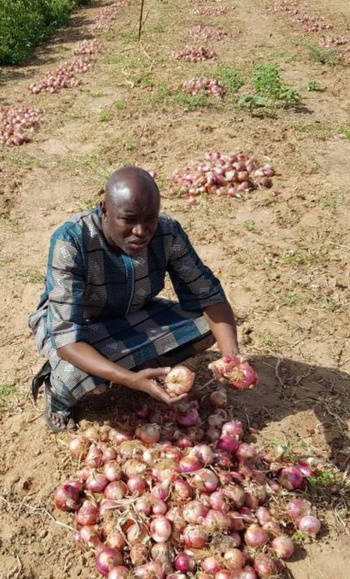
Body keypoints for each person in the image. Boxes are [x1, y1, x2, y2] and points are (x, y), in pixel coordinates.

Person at [29, 165, 247, 432]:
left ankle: (138, 367)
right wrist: (131, 380)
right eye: (128, 219)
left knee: (206, 326)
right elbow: (66, 338)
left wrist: (231, 360)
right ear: (104, 210)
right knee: (76, 371)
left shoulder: (167, 233)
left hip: (133, 312)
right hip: (81, 325)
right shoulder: (72, 241)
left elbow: (209, 296)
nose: (142, 231)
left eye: (150, 218)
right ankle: (58, 394)